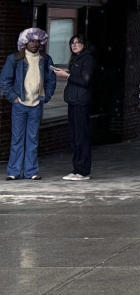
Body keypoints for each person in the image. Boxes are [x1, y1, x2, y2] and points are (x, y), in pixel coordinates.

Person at [1, 28, 57, 181]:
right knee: (17, 138)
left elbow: (52, 80)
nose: (34, 44)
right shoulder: (15, 59)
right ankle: (14, 171)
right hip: (19, 104)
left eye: (37, 41)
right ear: (25, 42)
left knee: (32, 139)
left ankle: (31, 171)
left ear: (41, 42)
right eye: (31, 41)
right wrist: (14, 98)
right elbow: (5, 81)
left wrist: (46, 96)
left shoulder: (46, 59)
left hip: (36, 105)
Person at [53, 35, 95, 180]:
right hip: (74, 101)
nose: (74, 45)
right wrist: (68, 73)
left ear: (84, 45)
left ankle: (83, 171)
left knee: (81, 136)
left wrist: (67, 76)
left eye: (78, 43)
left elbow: (85, 80)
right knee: (75, 136)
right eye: (72, 43)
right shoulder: (76, 59)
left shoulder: (87, 59)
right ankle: (77, 169)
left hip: (81, 102)